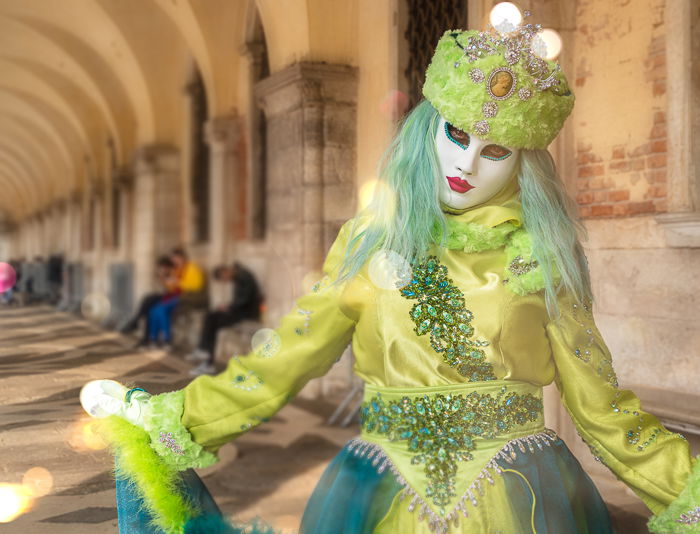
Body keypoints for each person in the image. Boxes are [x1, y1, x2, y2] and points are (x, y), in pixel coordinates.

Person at [83, 13, 699, 534]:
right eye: (456, 135)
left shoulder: (542, 254)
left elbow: (601, 408)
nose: (466, 166)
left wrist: (686, 490)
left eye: (494, 150)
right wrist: (175, 417)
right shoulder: (370, 238)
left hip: (520, 496)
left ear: (522, 163)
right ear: (426, 131)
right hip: (379, 493)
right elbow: (287, 357)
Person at [187, 262, 263, 376]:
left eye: (223, 278)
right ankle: (206, 357)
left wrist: (229, 307)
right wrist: (228, 307)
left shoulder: (243, 277)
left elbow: (245, 300)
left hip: (244, 314)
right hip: (239, 311)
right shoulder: (239, 275)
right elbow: (241, 299)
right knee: (211, 318)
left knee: (211, 320)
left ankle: (206, 356)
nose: (226, 281)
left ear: (225, 272)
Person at [146, 248, 205, 347]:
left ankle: (166, 340)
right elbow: (172, 289)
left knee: (160, 310)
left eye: (173, 258)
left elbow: (197, 286)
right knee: (153, 310)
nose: (172, 260)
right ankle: (153, 339)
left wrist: (178, 283)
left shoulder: (192, 267)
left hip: (188, 297)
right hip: (175, 296)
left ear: (180, 257)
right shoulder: (176, 270)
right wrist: (165, 280)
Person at [120, 256, 176, 346]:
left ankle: (136, 322)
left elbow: (170, 290)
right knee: (148, 308)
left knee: (148, 300)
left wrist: (164, 280)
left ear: (168, 267)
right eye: (160, 267)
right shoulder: (160, 276)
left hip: (167, 299)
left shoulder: (173, 275)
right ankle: (144, 336)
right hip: (161, 299)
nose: (162, 270)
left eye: (164, 267)